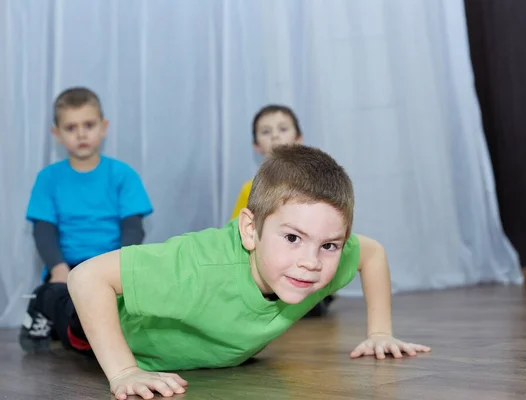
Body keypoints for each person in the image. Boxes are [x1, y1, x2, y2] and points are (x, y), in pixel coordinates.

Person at [65, 144, 431, 399]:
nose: (312, 261)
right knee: (59, 312)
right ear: (249, 230)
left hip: (203, 355)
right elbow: (85, 278)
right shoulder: (199, 265)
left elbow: (372, 252)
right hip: (108, 331)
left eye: (329, 245)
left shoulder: (325, 255)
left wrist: (380, 332)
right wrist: (124, 373)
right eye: (292, 237)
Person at [20, 87, 153, 353]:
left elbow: (133, 229)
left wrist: (120, 268)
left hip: (110, 264)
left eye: (89, 125)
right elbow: (43, 232)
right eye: (71, 127)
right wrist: (58, 269)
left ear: (104, 127)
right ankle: (69, 322)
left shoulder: (122, 174)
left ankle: (81, 325)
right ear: (56, 133)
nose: (81, 134)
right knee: (60, 296)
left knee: (141, 306)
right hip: (66, 270)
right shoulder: (48, 178)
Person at [231, 105, 335, 317]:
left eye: (283, 129)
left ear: (299, 138)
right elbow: (235, 231)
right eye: (266, 131)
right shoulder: (249, 189)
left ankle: (315, 296)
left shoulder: (315, 185)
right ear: (256, 145)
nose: (275, 135)